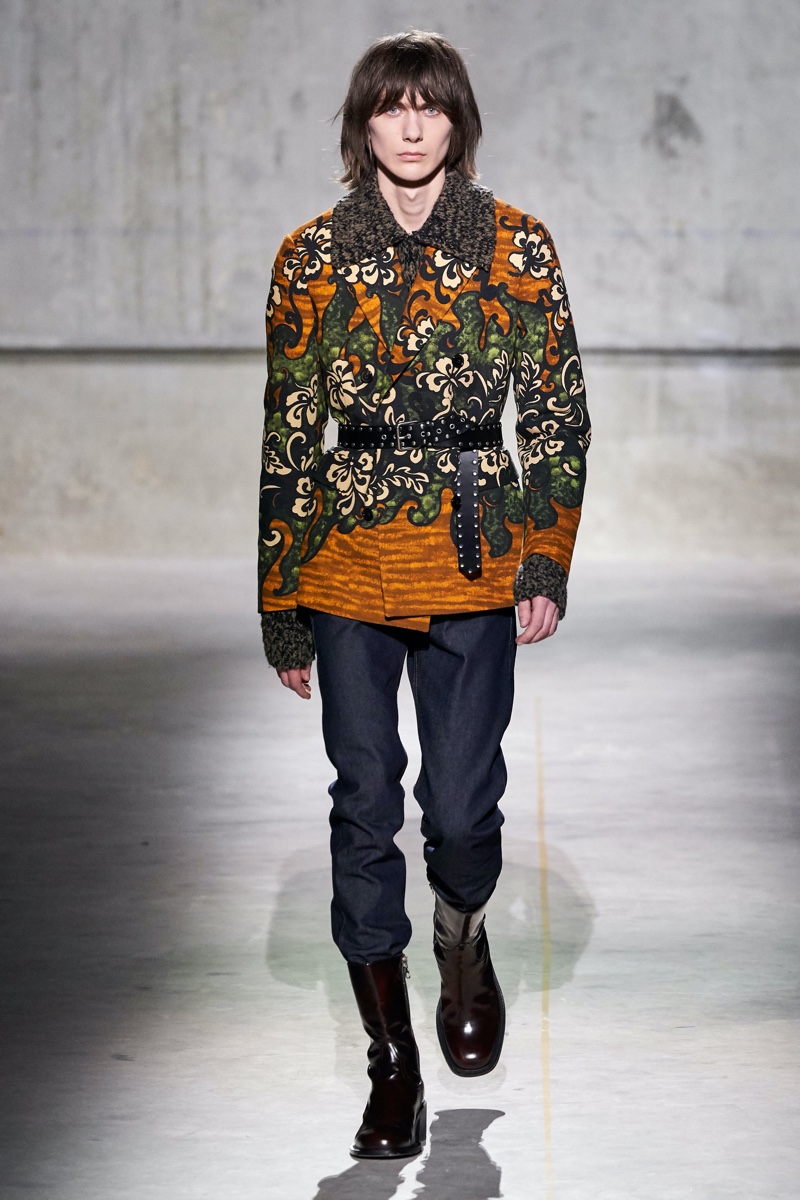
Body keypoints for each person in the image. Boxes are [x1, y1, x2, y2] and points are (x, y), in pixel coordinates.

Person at [258, 30, 589, 1160]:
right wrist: (279, 597)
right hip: (345, 558)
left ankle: (460, 931)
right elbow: (289, 430)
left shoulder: (515, 244)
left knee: (457, 813)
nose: (410, 126)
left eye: (429, 107)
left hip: (472, 549)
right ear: (363, 124)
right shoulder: (309, 256)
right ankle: (390, 1062)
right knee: (362, 801)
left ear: (458, 121)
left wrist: (544, 558)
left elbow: (556, 413)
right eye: (390, 107)